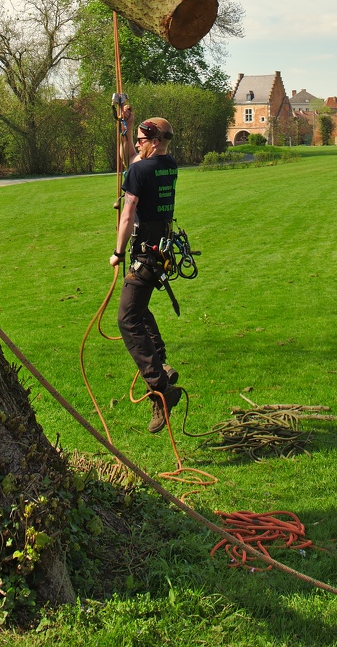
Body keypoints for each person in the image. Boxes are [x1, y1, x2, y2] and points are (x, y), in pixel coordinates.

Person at [110, 114, 182, 434]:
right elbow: (134, 159)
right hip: (161, 249)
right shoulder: (169, 165)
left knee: (127, 318)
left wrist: (117, 253)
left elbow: (126, 216)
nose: (137, 145)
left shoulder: (139, 170)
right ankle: (162, 363)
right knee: (139, 310)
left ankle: (159, 387)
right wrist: (128, 124)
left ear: (154, 141)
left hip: (144, 252)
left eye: (141, 139)